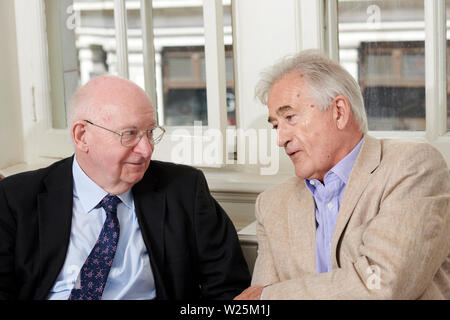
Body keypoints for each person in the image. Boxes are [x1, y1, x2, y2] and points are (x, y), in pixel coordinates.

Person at [0, 75, 250, 300]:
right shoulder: (16, 199)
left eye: (150, 132)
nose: (147, 149)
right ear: (82, 136)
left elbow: (228, 287)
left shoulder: (184, 190)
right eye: (129, 134)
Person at [235, 50, 450, 300]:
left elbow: (382, 285)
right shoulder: (272, 204)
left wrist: (270, 296)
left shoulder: (412, 167)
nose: (281, 139)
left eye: (290, 117)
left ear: (338, 111)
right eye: (275, 126)